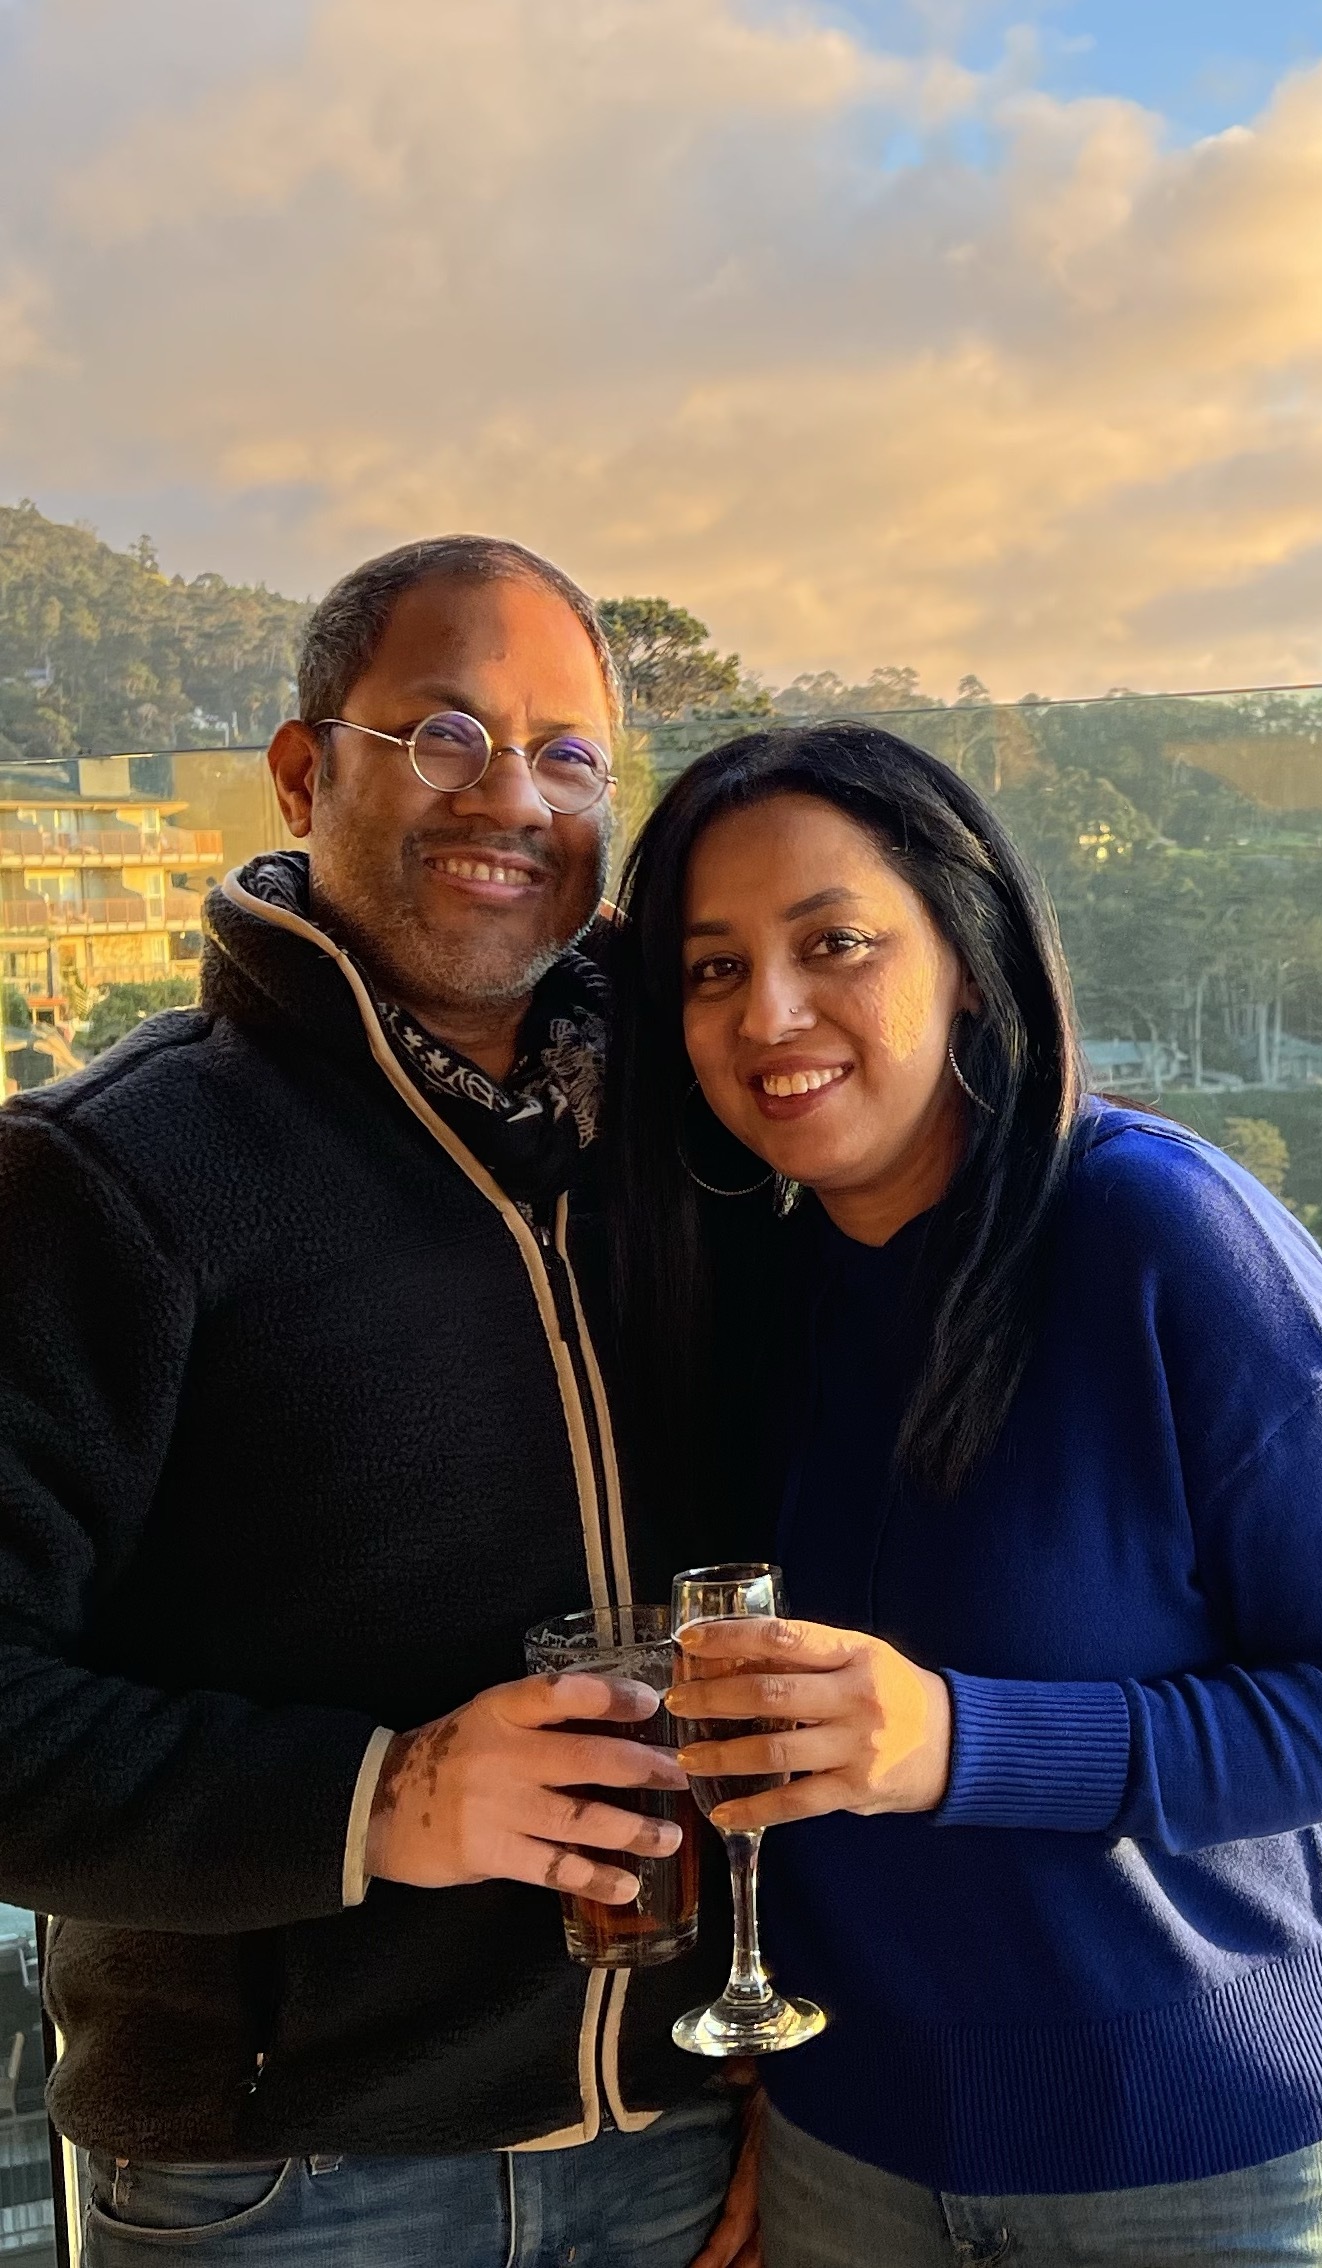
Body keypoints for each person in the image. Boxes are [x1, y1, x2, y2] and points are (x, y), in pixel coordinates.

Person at [609, 721, 1322, 2268]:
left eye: (834, 943)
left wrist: (956, 1741)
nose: (770, 1012)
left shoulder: (1166, 1237)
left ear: (971, 957)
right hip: (849, 2155)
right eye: (713, 969)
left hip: (1213, 2164)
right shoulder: (757, 1302)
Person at [0, 537, 757, 2264]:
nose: (512, 796)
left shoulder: (705, 1147)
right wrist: (382, 1796)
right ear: (300, 772)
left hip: (678, 2141)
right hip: (284, 2180)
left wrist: (778, 2088)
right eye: (444, 734)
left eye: (567, 754)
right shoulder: (102, 1179)